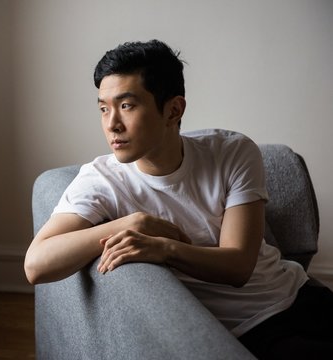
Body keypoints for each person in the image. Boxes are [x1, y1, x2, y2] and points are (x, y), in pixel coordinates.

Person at [24, 39, 333, 358]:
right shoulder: (101, 180)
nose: (111, 124)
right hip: (250, 333)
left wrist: (165, 248)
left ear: (173, 110)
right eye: (104, 108)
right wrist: (135, 222)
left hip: (300, 296)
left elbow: (237, 266)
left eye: (126, 105)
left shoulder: (232, 152)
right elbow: (36, 265)